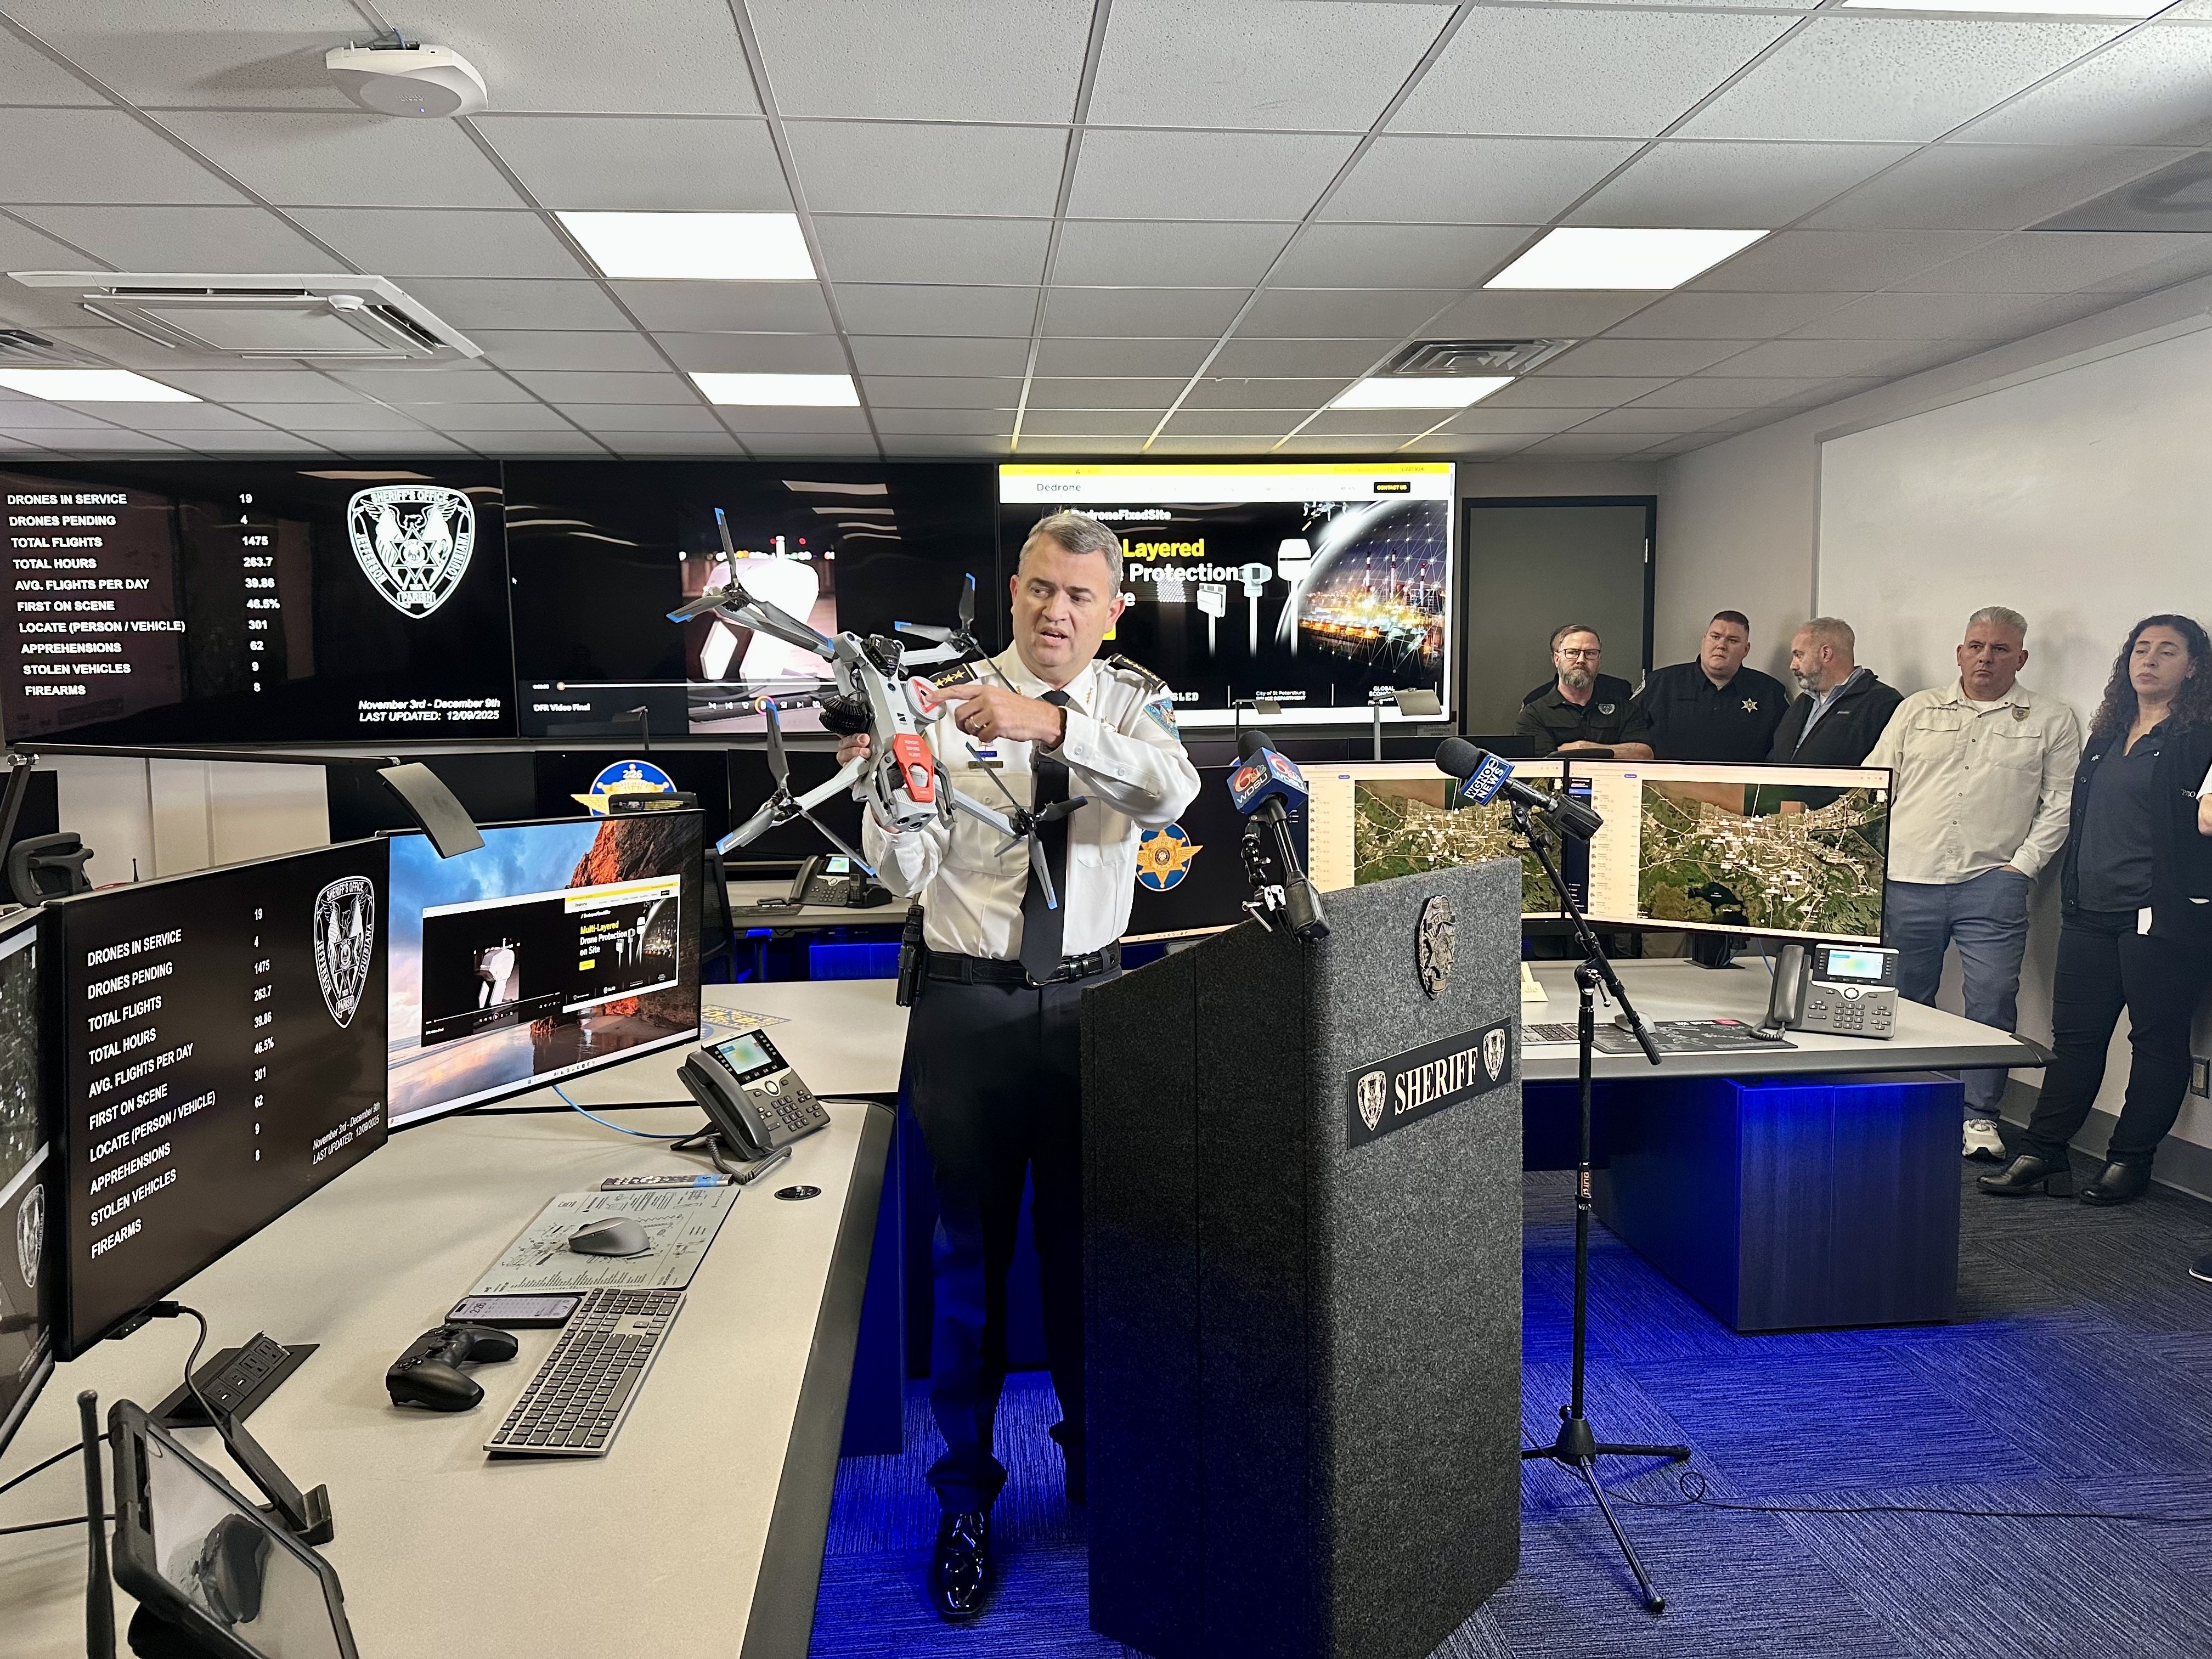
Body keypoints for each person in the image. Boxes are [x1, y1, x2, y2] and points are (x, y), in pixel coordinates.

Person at [843, 510, 1199, 1622]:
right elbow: (902, 871)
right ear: (1013, 591)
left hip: (1097, 1007)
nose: (1056, 610)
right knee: (969, 1272)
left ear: (1112, 611)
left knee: (1095, 1261)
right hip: (971, 1010)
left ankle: (1098, 1471)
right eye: (1041, 588)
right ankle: (963, 1499)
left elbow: (1171, 793)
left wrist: (1051, 724)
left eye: (1080, 595)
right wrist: (893, 789)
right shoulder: (937, 702)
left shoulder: (1131, 703)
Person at [1980, 615, 2212, 1207]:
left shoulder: (2200, 740)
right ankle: (2044, 1153)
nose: (2149, 660)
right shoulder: (2108, 733)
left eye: (2167, 651)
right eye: (2141, 649)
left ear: (2193, 668)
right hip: (2089, 912)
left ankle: (2129, 1161)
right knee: (2075, 1041)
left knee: (2156, 1045)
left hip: (2160, 918)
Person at [1865, 608, 2080, 1161]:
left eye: (2000, 649)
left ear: (2021, 658)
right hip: (1908, 877)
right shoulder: (1917, 710)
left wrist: (2023, 867)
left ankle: (1980, 1116)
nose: (1986, 657)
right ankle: (1911, 1103)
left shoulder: (2050, 719)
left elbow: (2061, 802)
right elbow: (1876, 784)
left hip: (1992, 881)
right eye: (1977, 646)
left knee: (1991, 1000)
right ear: (1959, 653)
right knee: (1904, 1000)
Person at [1632, 610, 1788, 761]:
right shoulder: (1661, 683)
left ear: (1746, 650)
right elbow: (1628, 732)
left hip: (1742, 780)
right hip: (1666, 779)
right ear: (1704, 640)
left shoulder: (1769, 693)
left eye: (1733, 640)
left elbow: (1783, 750)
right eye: (1715, 637)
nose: (1721, 645)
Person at [1768, 617, 1904, 765]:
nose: (1793, 665)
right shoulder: (1803, 702)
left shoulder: (1882, 703)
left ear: (1826, 654)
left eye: (1799, 655)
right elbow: (1775, 756)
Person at [1513, 623, 1654, 758]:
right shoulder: (1534, 714)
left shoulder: (1624, 710)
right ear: (1557, 659)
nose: (1581, 660)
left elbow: (1645, 754)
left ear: (1599, 660)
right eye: (1573, 653)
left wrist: (1583, 748)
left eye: (1591, 653)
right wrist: (1614, 752)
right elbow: (1542, 764)